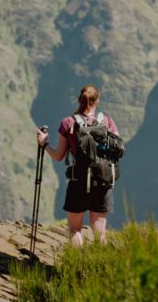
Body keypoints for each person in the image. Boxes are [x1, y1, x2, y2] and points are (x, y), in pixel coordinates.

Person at [37, 84, 120, 246]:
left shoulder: (68, 123)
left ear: (79, 99)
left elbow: (59, 156)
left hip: (79, 181)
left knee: (74, 229)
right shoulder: (108, 122)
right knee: (100, 232)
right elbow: (117, 149)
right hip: (103, 181)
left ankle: (78, 267)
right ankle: (98, 268)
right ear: (97, 100)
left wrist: (44, 144)